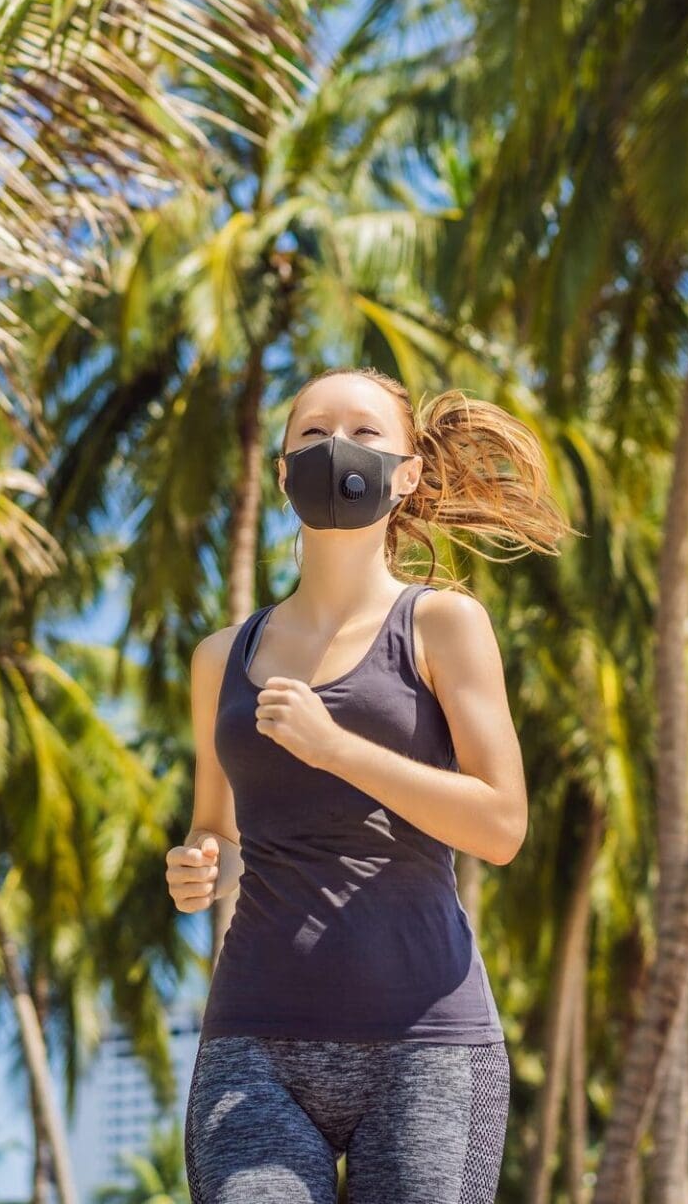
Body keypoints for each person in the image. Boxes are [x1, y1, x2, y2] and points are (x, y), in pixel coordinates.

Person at [167, 367, 574, 1202]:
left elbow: (501, 825)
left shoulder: (443, 624)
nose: (336, 449)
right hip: (253, 1043)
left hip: (429, 1045)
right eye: (313, 434)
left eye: (363, 433)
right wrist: (200, 861)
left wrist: (336, 748)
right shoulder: (220, 658)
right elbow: (219, 826)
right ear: (283, 472)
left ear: (408, 473)